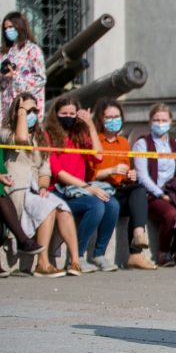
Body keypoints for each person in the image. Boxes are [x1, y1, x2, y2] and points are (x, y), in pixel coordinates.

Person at [1, 93, 81, 277]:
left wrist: (44, 186)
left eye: (34, 111)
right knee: (48, 207)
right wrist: (21, 113)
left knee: (63, 208)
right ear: (18, 112)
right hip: (16, 189)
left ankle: (75, 261)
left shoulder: (40, 139)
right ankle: (42, 262)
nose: (32, 115)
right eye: (28, 111)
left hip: (36, 190)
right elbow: (20, 140)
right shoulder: (6, 133)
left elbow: (45, 171)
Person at [47, 96, 121, 272]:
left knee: (112, 204)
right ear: (56, 115)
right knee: (96, 206)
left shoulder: (80, 134)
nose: (68, 116)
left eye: (72, 113)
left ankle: (99, 254)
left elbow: (98, 156)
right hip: (61, 191)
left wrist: (90, 126)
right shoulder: (48, 135)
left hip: (80, 189)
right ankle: (77, 256)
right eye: (64, 113)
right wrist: (87, 187)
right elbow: (58, 172)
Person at [91, 99, 156, 270]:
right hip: (100, 190)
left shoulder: (124, 142)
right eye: (109, 117)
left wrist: (129, 175)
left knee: (139, 190)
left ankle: (137, 242)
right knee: (135, 197)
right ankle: (136, 247)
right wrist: (111, 170)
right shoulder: (95, 141)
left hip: (119, 189)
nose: (114, 120)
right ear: (100, 119)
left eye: (117, 116)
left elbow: (126, 174)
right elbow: (88, 175)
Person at [132, 103, 176, 267]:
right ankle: (163, 252)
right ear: (150, 122)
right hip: (151, 194)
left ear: (171, 122)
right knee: (171, 214)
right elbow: (142, 177)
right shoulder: (142, 144)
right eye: (156, 120)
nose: (160, 124)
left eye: (164, 120)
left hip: (173, 190)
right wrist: (160, 194)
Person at [1, 12, 46, 121]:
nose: (8, 31)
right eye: (5, 28)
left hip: (25, 111)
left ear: (19, 26)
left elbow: (40, 80)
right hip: (5, 111)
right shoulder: (4, 52)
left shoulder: (32, 50)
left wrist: (15, 76)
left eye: (10, 27)